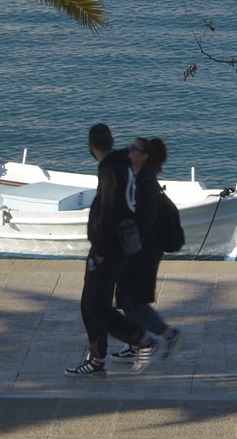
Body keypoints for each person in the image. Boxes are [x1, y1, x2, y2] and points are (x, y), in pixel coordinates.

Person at [67, 123, 163, 377]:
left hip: (107, 249)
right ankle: (102, 355)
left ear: (91, 146)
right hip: (116, 247)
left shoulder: (110, 170)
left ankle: (139, 340)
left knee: (95, 306)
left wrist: (99, 249)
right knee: (92, 303)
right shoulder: (121, 164)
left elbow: (110, 212)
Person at [114, 137, 179, 358]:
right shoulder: (137, 177)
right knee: (128, 297)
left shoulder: (147, 184)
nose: (129, 150)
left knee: (132, 299)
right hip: (137, 249)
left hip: (143, 251)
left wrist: (129, 248)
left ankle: (166, 334)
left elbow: (145, 222)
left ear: (144, 156)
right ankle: (136, 344)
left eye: (135, 148)